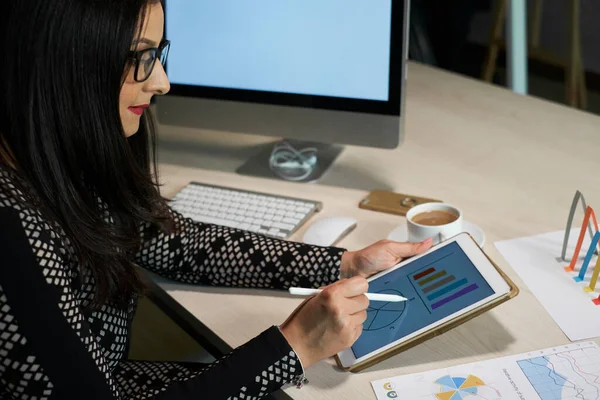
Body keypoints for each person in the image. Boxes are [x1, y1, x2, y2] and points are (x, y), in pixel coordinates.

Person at [0, 1, 432, 399]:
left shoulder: (60, 157)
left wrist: (344, 263)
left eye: (158, 54)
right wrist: (297, 345)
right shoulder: (14, 233)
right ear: (63, 63)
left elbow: (173, 241)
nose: (162, 82)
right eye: (140, 57)